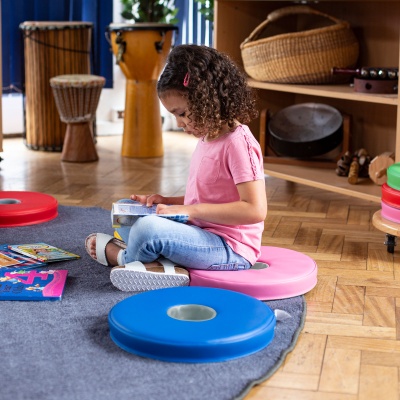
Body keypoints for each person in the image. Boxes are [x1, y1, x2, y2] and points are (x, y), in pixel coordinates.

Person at [85, 44, 267, 292]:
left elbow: (255, 210)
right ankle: (151, 257)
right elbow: (206, 199)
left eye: (181, 113)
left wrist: (190, 211)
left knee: (149, 229)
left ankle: (124, 259)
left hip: (229, 248)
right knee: (128, 211)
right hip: (200, 231)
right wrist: (167, 202)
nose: (179, 123)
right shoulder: (207, 138)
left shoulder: (238, 144)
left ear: (207, 99)